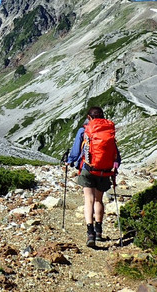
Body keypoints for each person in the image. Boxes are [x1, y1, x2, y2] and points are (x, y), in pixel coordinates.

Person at [66, 106, 121, 248]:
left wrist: (70, 160)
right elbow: (115, 152)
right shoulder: (109, 130)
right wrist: (114, 167)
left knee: (88, 200)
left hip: (88, 168)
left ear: (89, 118)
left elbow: (76, 149)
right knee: (98, 200)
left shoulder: (84, 130)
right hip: (104, 170)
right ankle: (99, 231)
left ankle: (90, 232)